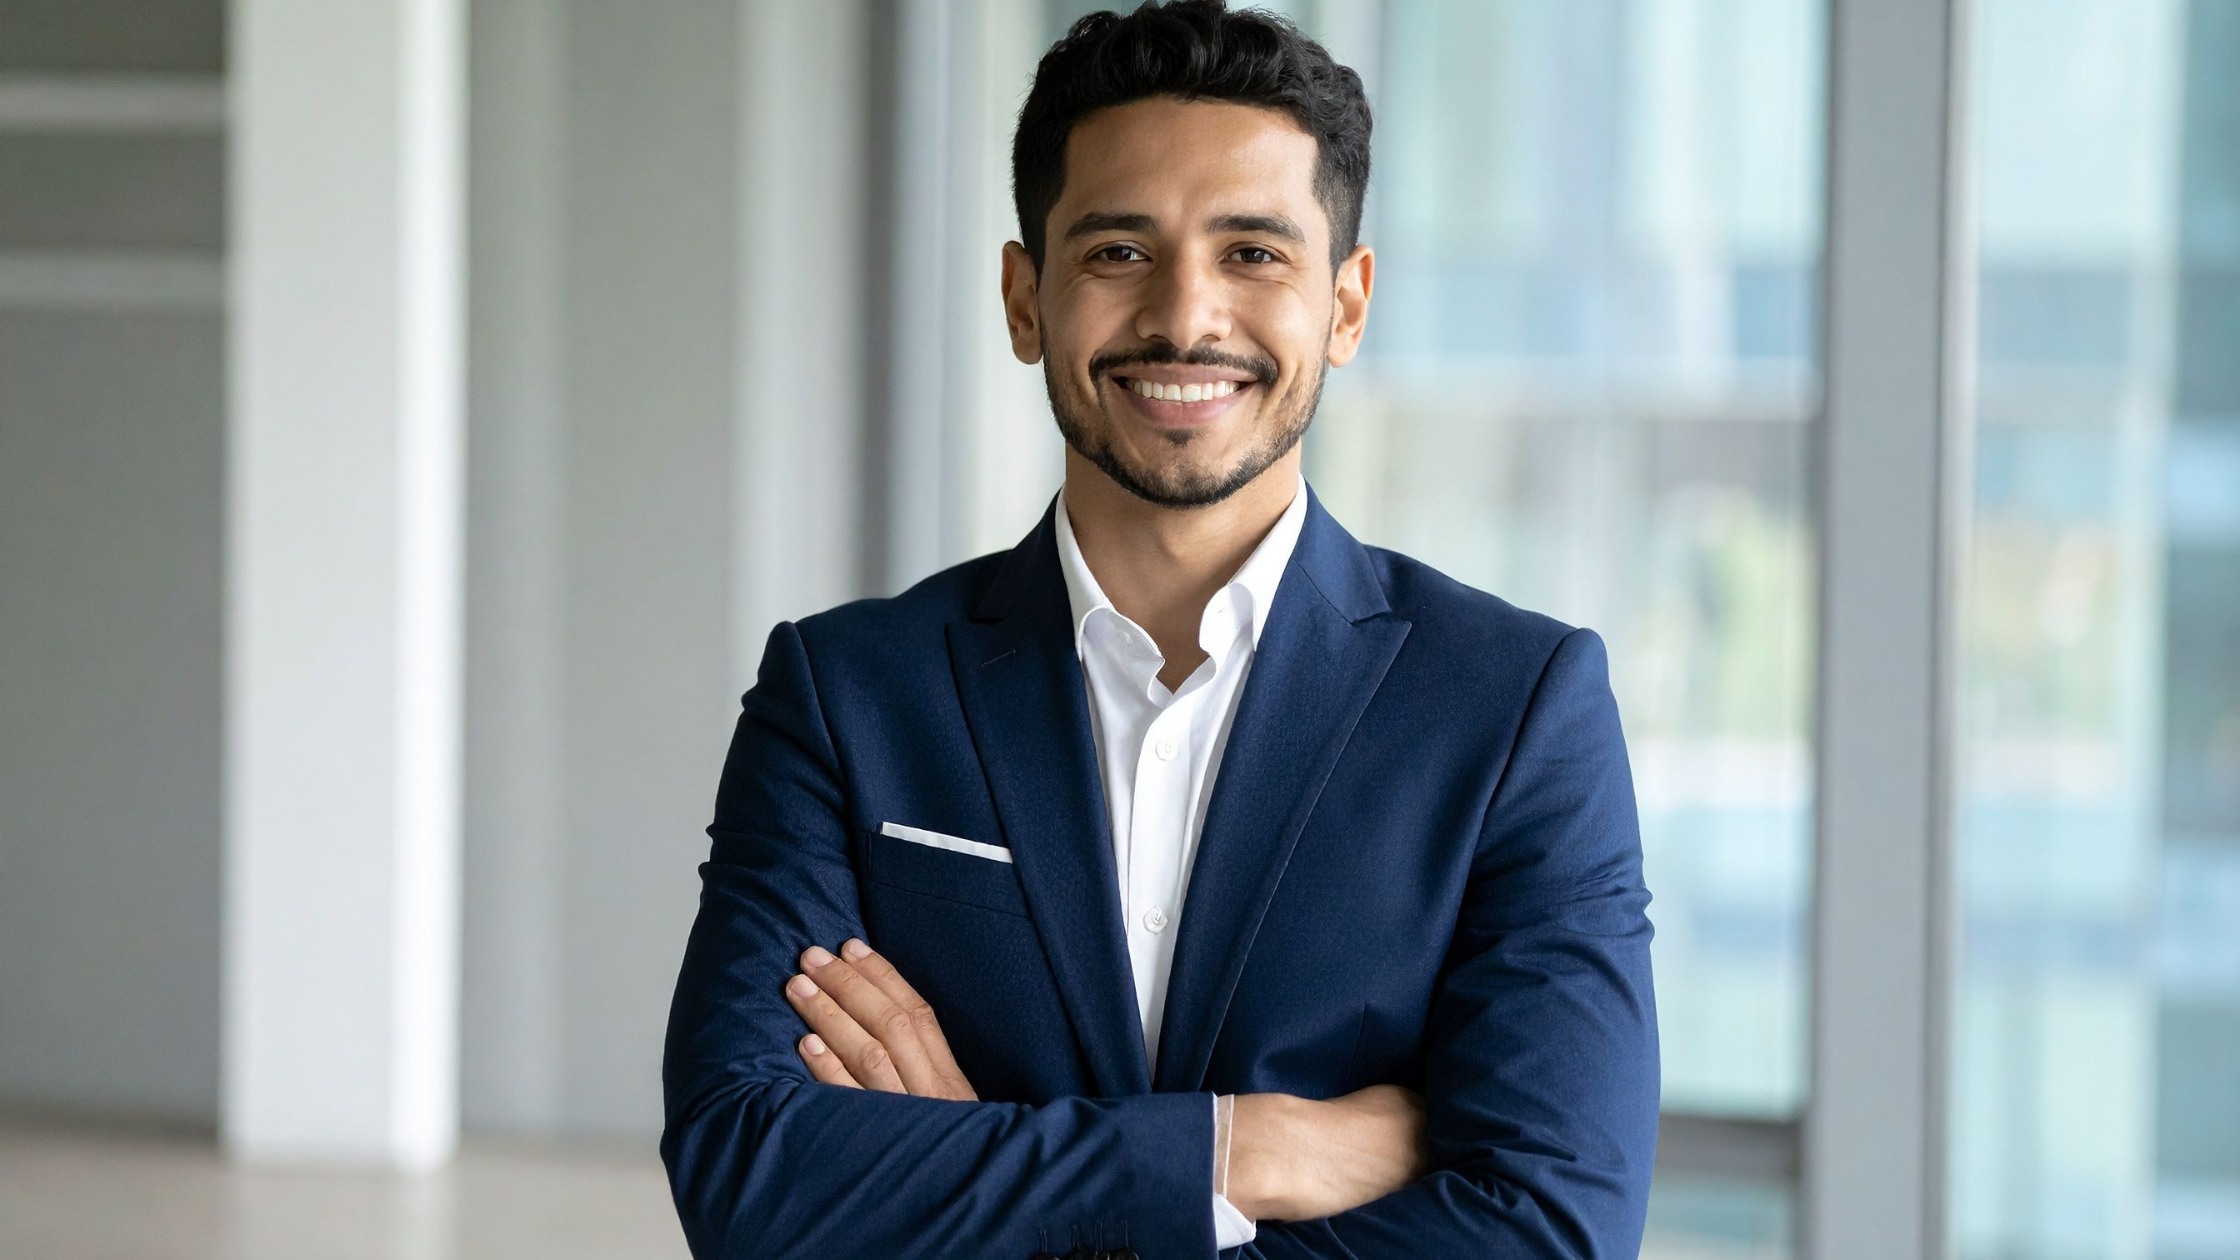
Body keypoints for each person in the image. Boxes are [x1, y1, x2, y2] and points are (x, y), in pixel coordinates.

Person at [660, 3, 1658, 1256]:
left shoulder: (1518, 709)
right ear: (1025, 300)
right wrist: (1241, 1150)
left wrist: (988, 1180)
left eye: (1252, 253)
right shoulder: (843, 693)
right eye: (1118, 252)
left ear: (1344, 307)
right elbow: (747, 1173)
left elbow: (1553, 1229)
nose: (1186, 317)